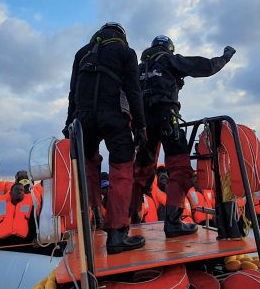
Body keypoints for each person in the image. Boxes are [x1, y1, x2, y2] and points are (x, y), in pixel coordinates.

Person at [132, 35, 236, 238]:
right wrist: (225, 57)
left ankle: (131, 220)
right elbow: (205, 67)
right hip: (166, 119)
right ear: (168, 48)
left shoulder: (138, 69)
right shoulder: (169, 59)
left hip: (142, 124)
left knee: (140, 171)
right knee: (179, 169)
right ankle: (173, 222)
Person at [64, 22, 146, 254]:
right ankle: (117, 235)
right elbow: (133, 90)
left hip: (83, 118)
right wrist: (140, 125)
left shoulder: (82, 53)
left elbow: (73, 92)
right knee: (121, 170)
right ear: (122, 36)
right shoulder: (126, 52)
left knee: (89, 166)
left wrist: (69, 122)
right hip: (114, 116)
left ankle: (95, 217)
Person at [0, 182, 36, 247]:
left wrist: (35, 238)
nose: (19, 192)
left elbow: (34, 225)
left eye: (21, 190)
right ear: (10, 193)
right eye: (17, 189)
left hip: (23, 243)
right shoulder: (2, 206)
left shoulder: (30, 207)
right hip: (4, 243)